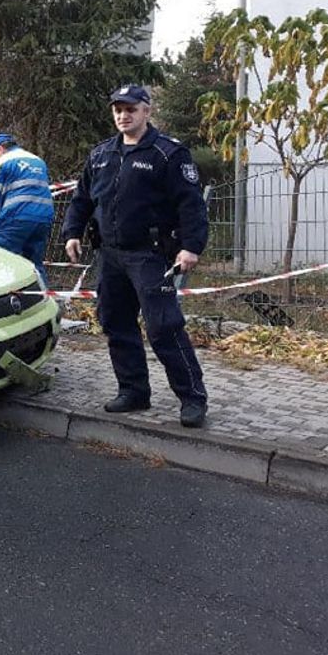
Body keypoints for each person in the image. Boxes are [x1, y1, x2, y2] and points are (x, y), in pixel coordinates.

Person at [61, 84, 209, 427]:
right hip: (110, 256)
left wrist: (191, 247)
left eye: (130, 109)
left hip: (151, 256)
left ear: (146, 111)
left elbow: (191, 206)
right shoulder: (101, 155)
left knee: (164, 327)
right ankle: (133, 391)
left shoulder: (168, 154)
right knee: (115, 322)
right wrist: (72, 233)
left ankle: (192, 398)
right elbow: (82, 199)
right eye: (118, 109)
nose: (123, 115)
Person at [0, 133, 54, 285]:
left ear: (1, 148)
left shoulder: (2, 162)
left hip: (15, 217)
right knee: (34, 265)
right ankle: (44, 301)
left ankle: (0, 306)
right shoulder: (38, 161)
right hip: (43, 219)